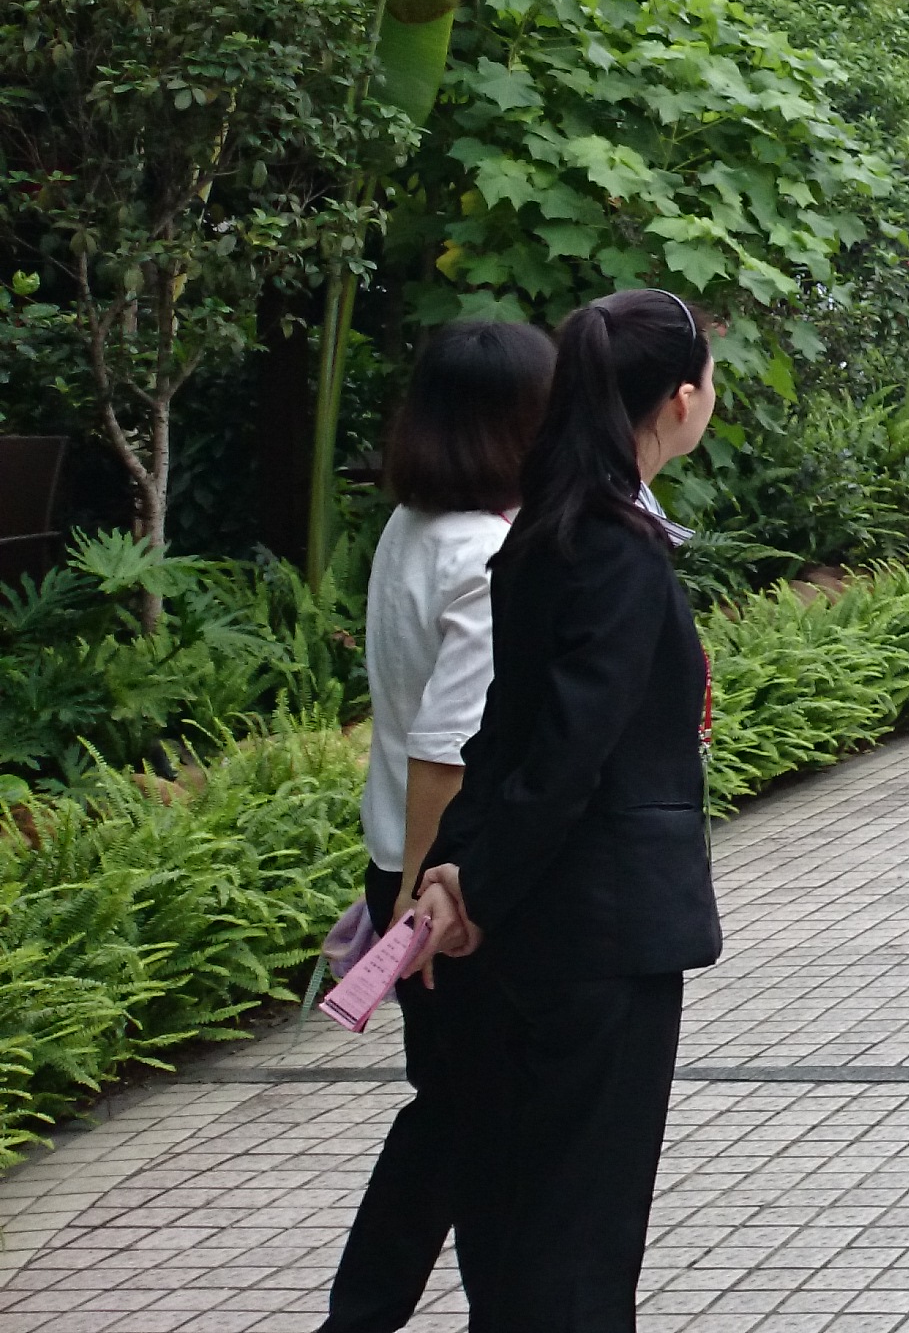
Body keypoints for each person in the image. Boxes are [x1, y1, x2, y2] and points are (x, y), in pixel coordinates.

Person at [410, 288, 723, 1332]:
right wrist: (475, 881)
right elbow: (566, 754)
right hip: (602, 930)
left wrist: (460, 873)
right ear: (680, 401)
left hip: (538, 927)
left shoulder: (545, 530)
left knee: (519, 1212)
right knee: (583, 1231)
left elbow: (506, 733)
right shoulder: (616, 545)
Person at [322, 321, 553, 1333]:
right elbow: (444, 753)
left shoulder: (412, 526)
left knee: (465, 1111)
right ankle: (365, 1313)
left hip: (404, 864)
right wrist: (423, 906)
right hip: (445, 883)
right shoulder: (486, 552)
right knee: (468, 1116)